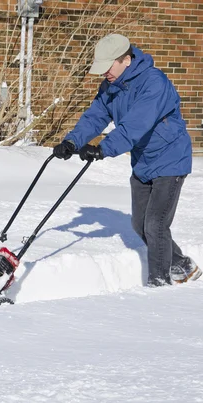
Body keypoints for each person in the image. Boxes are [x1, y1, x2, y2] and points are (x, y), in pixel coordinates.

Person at [52, 33, 200, 287]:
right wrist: (72, 142)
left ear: (126, 60)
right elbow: (96, 116)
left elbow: (136, 124)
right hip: (143, 161)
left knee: (155, 225)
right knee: (139, 224)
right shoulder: (111, 86)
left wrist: (103, 148)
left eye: (108, 67)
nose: (104, 74)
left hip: (171, 159)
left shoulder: (154, 82)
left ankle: (159, 285)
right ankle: (182, 265)